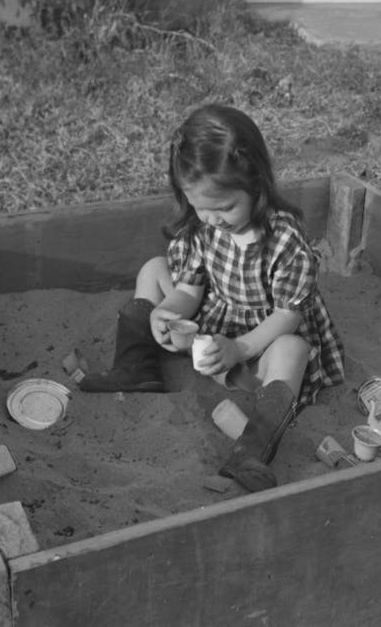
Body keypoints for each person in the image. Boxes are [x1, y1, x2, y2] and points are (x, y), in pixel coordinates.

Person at [79, 103, 345, 492]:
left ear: (256, 183)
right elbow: (189, 290)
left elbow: (287, 316)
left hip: (260, 341)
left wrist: (239, 348)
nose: (213, 219)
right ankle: (136, 369)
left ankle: (252, 448)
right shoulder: (201, 230)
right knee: (154, 269)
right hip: (214, 331)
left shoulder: (285, 240)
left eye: (225, 207)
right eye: (200, 207)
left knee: (292, 347)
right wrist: (167, 313)